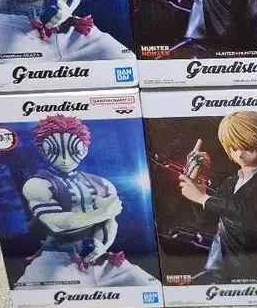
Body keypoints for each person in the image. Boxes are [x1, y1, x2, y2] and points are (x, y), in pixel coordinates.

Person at [18, 115, 157, 288]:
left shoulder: (102, 183)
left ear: (84, 150)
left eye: (73, 150)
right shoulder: (38, 184)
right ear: (42, 150)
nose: (64, 159)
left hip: (101, 257)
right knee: (38, 295)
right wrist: (104, 212)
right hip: (57, 260)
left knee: (147, 284)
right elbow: (59, 224)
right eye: (55, 151)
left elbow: (110, 222)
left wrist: (102, 245)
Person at [176, 111, 257, 281]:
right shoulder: (231, 182)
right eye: (234, 148)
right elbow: (209, 217)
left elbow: (245, 212)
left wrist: (202, 198)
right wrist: (194, 181)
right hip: (218, 260)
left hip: (250, 264)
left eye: (249, 147)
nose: (240, 154)